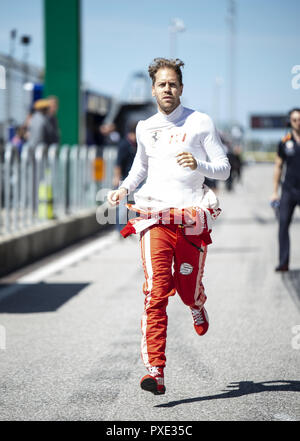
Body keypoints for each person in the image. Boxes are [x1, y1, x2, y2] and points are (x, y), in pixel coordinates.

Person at [107, 58, 230, 395]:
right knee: (156, 291)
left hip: (190, 220)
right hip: (155, 218)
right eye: (161, 84)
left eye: (173, 84)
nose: (167, 89)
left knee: (186, 288)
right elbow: (139, 169)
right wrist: (123, 189)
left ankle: (197, 303)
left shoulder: (201, 122)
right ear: (153, 89)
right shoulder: (145, 127)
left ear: (181, 88)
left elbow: (223, 169)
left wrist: (199, 162)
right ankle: (154, 370)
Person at [271, 108, 300, 272]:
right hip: (289, 190)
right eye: (295, 119)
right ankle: (283, 262)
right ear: (290, 122)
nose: (298, 122)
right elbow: (278, 167)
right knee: (283, 225)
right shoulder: (284, 142)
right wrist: (275, 191)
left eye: (299, 119)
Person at [112, 121, 138, 232]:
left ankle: (130, 229)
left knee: (132, 206)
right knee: (123, 207)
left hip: (135, 180)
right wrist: (117, 178)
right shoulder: (124, 144)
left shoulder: (137, 145)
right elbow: (118, 164)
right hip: (124, 179)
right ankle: (120, 230)